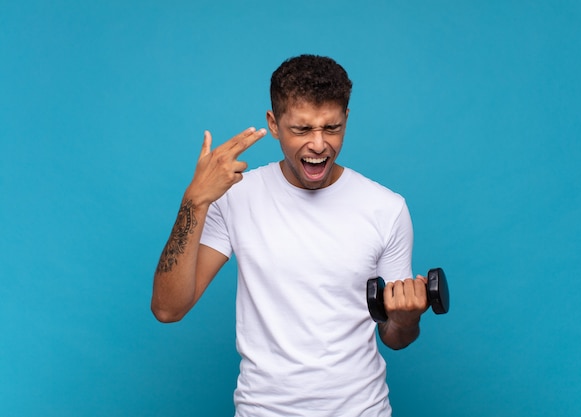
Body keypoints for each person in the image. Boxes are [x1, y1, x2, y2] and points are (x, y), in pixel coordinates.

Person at [151, 54, 429, 416]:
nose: (318, 144)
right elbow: (168, 309)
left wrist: (406, 319)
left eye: (331, 128)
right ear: (274, 123)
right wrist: (194, 201)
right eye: (302, 130)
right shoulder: (236, 197)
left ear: (346, 119)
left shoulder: (386, 208)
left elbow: (395, 337)